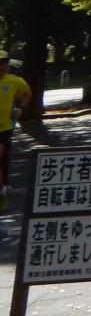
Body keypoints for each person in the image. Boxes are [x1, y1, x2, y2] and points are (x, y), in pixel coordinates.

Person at [0, 56, 32, 211]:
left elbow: (26, 94)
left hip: (5, 127)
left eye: (4, 64)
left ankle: (2, 192)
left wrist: (21, 108)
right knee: (3, 161)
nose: (2, 67)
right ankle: (4, 187)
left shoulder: (14, 81)